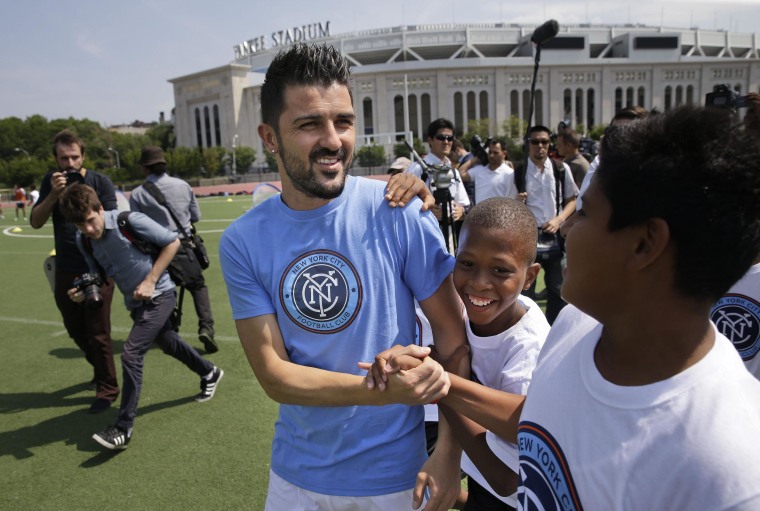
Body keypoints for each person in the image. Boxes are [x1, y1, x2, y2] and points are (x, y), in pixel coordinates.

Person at [384, 105, 760, 510]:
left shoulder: (730, 468)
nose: (565, 228)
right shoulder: (574, 325)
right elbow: (527, 433)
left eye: (584, 213)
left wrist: (441, 384)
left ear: (645, 243)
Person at [218, 42, 468, 511]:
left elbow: (454, 343)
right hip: (295, 480)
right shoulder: (242, 240)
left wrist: (450, 454)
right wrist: (382, 391)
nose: (333, 140)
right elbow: (275, 376)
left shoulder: (399, 212)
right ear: (270, 138)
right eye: (310, 123)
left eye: (344, 122)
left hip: (396, 480)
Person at [58, 183, 223, 450]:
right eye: (80, 225)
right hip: (136, 304)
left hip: (160, 293)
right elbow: (100, 275)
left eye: (90, 220)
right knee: (168, 342)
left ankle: (123, 428)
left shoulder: (128, 221)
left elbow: (172, 242)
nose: (88, 229)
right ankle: (209, 372)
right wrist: (85, 290)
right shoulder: (84, 241)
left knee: (131, 354)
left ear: (100, 209)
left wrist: (150, 280)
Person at [446, 197, 548, 511]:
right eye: (467, 263)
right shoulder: (467, 315)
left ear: (530, 277)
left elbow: (506, 479)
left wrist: (445, 388)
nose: (479, 283)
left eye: (500, 270)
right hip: (482, 485)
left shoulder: (527, 347)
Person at [30, 130, 119, 414]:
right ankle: (99, 368)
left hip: (97, 268)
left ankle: (107, 389)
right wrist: (54, 195)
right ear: (55, 159)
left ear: (83, 156)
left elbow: (113, 222)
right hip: (65, 267)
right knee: (74, 328)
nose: (69, 163)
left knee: (98, 332)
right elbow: (35, 221)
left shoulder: (99, 181)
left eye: (74, 157)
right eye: (63, 158)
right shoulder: (51, 182)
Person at [129, 146, 218, 353]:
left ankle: (169, 329)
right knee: (197, 287)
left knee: (163, 291)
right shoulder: (183, 185)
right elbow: (196, 216)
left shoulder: (138, 194)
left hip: (156, 251)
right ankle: (206, 328)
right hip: (184, 247)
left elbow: (136, 225)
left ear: (144, 168)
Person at [519, 125, 578, 324]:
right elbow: (509, 206)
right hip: (528, 236)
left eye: (544, 141)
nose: (540, 146)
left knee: (558, 289)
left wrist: (559, 220)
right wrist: (517, 201)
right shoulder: (519, 172)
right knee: (527, 290)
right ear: (528, 144)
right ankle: (532, 329)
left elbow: (573, 199)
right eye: (535, 142)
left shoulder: (560, 168)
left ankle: (555, 329)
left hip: (555, 235)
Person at [406, 118, 471, 246]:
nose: (446, 142)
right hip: (423, 238)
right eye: (441, 137)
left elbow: (465, 204)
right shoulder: (417, 168)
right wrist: (426, 211)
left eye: (450, 138)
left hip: (451, 238)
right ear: (430, 140)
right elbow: (404, 204)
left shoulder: (453, 171)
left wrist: (461, 211)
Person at [458, 139, 518, 204]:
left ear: (504, 154)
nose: (491, 155)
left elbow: (512, 199)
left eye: (495, 153)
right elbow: (460, 174)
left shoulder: (509, 173)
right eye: (490, 152)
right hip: (480, 213)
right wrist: (476, 159)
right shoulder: (479, 170)